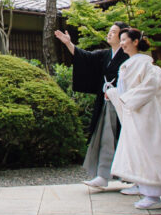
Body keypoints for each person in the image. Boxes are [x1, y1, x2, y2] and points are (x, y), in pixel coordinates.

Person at [104, 28, 161, 210]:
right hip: (135, 112)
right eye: (120, 40)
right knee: (145, 152)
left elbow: (151, 85)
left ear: (135, 42)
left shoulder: (144, 64)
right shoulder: (131, 64)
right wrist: (113, 94)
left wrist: (125, 98)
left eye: (124, 39)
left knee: (152, 151)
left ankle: (154, 195)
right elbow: (125, 91)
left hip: (146, 114)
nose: (121, 43)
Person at [53, 22, 130, 189]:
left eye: (114, 32)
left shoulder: (129, 56)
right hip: (106, 102)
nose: (109, 34)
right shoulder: (105, 54)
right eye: (109, 31)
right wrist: (68, 43)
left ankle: (134, 177)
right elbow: (85, 57)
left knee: (127, 139)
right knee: (104, 137)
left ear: (124, 37)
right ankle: (102, 175)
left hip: (124, 104)